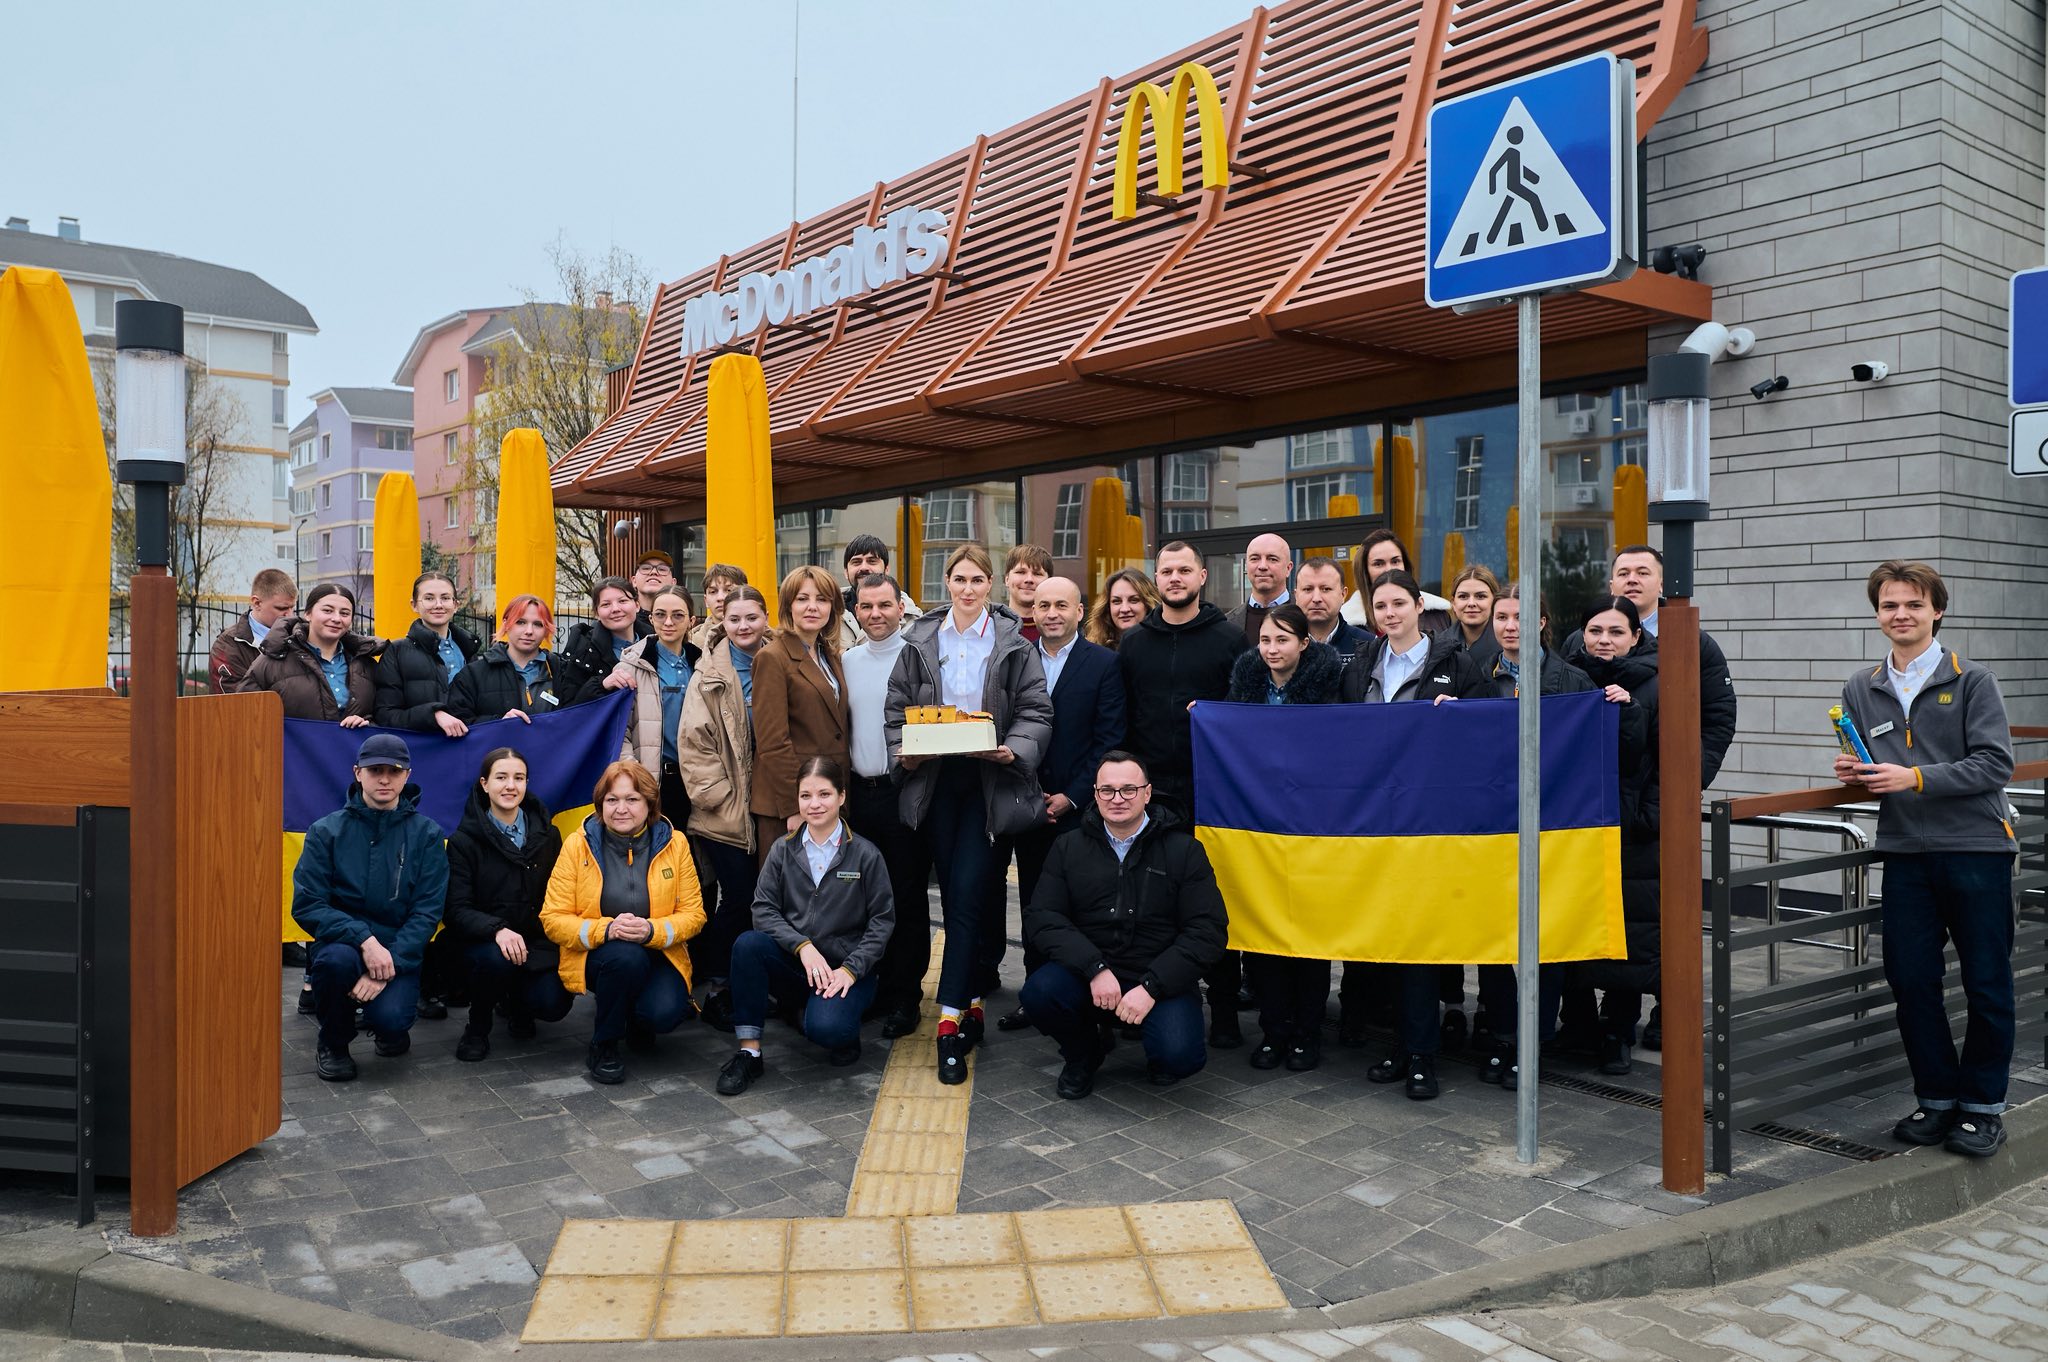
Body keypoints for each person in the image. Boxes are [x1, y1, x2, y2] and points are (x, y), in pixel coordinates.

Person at [1836, 562, 2017, 1158]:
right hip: (1905, 854)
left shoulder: (1973, 680)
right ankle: (1937, 1098)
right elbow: (1875, 773)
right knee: (1912, 981)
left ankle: (1984, 1107)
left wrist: (1912, 776)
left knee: (1987, 982)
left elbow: (1995, 765)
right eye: (1890, 606)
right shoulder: (1861, 688)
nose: (1901, 615)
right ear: (1878, 614)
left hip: (1976, 849)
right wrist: (1856, 775)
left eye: (1913, 604)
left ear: (1937, 610)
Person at [884, 544, 1053, 1085]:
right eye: (959, 578)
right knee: (960, 898)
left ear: (991, 586)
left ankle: (950, 1024)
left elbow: (1035, 709)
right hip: (935, 782)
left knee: (967, 895)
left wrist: (1013, 751)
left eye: (978, 579)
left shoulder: (1013, 642)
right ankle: (972, 1004)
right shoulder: (920, 640)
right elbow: (896, 709)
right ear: (946, 582)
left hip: (989, 781)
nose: (967, 588)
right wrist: (904, 754)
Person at [1341, 569, 1488, 1098]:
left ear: (1418, 605)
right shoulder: (1360, 665)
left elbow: (1487, 732)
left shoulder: (1454, 662)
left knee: (1421, 940)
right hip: (1379, 824)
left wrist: (1462, 716)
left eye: (1398, 603)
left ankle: (1423, 1054)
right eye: (1380, 605)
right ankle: (1400, 1044)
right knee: (1389, 938)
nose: (1389, 613)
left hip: (1432, 824)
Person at [1019, 751, 1228, 1097]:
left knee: (1180, 1056)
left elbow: (1207, 931)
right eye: (1108, 790)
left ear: (1147, 793)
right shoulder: (1068, 846)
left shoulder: (1185, 850)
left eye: (1129, 790)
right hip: (1089, 972)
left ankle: (1160, 1054)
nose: (1118, 799)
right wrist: (1094, 968)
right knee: (1040, 994)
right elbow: (1043, 917)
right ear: (1095, 793)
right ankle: (1084, 1053)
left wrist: (1152, 988)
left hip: (1158, 977)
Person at [1116, 541, 1250, 1048]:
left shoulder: (1228, 640)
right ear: (1158, 577)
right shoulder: (1134, 643)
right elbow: (1123, 718)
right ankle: (1146, 999)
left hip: (1209, 792)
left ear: (1200, 576)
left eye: (1184, 570)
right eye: (1166, 571)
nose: (1175, 578)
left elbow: (1241, 716)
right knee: (1148, 897)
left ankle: (1226, 1008)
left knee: (1210, 899)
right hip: (1146, 795)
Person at [992, 576, 1126, 1033]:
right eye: (1042, 604)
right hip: (1024, 805)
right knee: (1035, 905)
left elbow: (1109, 740)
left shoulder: (1104, 665)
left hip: (1080, 810)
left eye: (1060, 605)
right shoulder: (1014, 658)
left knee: (1084, 906)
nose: (1050, 613)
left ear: (1079, 611)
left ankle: (1090, 995)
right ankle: (1036, 996)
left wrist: (1072, 796)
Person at [715, 757, 897, 1093]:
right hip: (799, 965)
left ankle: (830, 1021)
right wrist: (802, 946)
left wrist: (852, 970)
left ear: (842, 796)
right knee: (747, 945)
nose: (814, 804)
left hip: (846, 972)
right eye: (806, 796)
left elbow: (882, 922)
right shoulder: (783, 850)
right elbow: (763, 909)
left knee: (827, 1031)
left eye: (824, 794)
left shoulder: (865, 855)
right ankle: (749, 1052)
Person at [1472, 586, 1594, 1084]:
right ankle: (1502, 1035)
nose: (1508, 625)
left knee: (1546, 939)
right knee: (1496, 938)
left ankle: (1536, 1039)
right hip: (1493, 829)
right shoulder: (1477, 677)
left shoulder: (1573, 680)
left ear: (1542, 623)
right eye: (1501, 616)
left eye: (1520, 617)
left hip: (1554, 829)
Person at [1223, 604, 1342, 1070]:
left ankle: (1307, 1034)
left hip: (1312, 829)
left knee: (1309, 937)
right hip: (1258, 827)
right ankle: (1274, 1031)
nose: (1272, 649)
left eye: (1283, 640)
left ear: (1304, 644)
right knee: (1263, 931)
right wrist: (1206, 716)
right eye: (1266, 641)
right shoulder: (1246, 683)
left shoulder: (1329, 688)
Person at [291, 734, 448, 1082]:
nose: (384, 779)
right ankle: (333, 1043)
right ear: (357, 773)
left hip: (398, 951)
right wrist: (365, 940)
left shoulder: (427, 835)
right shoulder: (325, 832)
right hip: (342, 945)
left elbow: (427, 912)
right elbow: (307, 904)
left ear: (407, 775)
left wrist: (388, 965)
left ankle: (388, 1025)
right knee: (333, 964)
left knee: (391, 1020)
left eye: (394, 771)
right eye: (374, 770)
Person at [541, 759, 706, 1085]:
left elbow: (694, 914)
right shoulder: (578, 844)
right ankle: (603, 1045)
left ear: (649, 803)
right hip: (598, 953)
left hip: (658, 951)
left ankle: (635, 1017)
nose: (621, 809)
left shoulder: (676, 844)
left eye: (632, 799)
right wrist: (607, 929)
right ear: (600, 804)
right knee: (624, 957)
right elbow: (552, 918)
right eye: (612, 800)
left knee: (663, 1014)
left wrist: (651, 931)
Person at [1559, 595, 1660, 1076]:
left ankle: (1620, 1028)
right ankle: (1575, 1023)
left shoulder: (1657, 683)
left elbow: (1666, 755)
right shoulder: (1560, 677)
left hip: (1632, 825)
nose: (1604, 640)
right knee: (1570, 924)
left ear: (1636, 637)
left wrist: (1630, 710)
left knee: (1629, 933)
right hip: (1571, 823)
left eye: (1617, 632)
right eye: (1595, 630)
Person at [840, 572, 933, 1039]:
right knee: (864, 899)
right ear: (855, 610)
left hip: (905, 792)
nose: (875, 614)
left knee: (907, 897)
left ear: (901, 607)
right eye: (866, 606)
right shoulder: (846, 661)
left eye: (884, 605)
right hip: (858, 796)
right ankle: (873, 986)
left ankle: (905, 995)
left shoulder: (918, 657)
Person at [676, 585, 773, 1023]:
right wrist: (722, 797)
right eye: (734, 619)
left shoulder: (782, 660)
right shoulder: (708, 675)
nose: (743, 626)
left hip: (773, 802)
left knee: (770, 898)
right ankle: (718, 978)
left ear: (765, 617)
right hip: (726, 810)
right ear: (722, 622)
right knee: (740, 897)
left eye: (751, 617)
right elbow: (694, 744)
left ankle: (758, 979)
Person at [443, 747, 572, 1061]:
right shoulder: (463, 842)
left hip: (536, 944)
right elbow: (456, 909)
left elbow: (561, 895)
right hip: (485, 945)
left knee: (553, 1004)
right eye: (501, 777)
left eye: (519, 778)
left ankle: (518, 1004)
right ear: (485, 784)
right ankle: (478, 1025)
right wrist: (497, 930)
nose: (510, 786)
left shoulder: (549, 836)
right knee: (496, 959)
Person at [751, 565, 851, 856]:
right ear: (788, 606)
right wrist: (797, 804)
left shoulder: (829, 655)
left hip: (827, 799)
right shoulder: (772, 657)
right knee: (791, 896)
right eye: (802, 599)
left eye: (821, 599)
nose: (812, 607)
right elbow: (772, 742)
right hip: (791, 806)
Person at [239, 583, 379, 725]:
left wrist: (366, 725)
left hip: (351, 747)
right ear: (308, 614)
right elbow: (243, 714)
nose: (337, 619)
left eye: (344, 613)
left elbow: (383, 719)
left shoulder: (366, 665)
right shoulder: (272, 661)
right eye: (328, 611)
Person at [617, 586, 701, 825]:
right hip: (652, 780)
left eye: (678, 615)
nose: (668, 622)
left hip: (696, 779)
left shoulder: (704, 664)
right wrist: (635, 775)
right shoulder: (631, 665)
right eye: (661, 614)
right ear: (651, 617)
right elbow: (620, 730)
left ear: (691, 621)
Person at [448, 594, 567, 725]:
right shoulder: (473, 674)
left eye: (538, 624)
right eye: (520, 622)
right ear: (506, 624)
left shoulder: (562, 671)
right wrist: (499, 723)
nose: (529, 631)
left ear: (546, 630)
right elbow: (458, 722)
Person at [559, 577, 650, 706]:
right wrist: (601, 685)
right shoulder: (582, 651)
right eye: (606, 604)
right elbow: (569, 707)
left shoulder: (655, 644)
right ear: (597, 613)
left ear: (637, 605)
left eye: (623, 601)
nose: (615, 609)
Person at [1339, 530, 1452, 630]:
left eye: (1395, 561)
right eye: (1378, 563)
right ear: (1365, 571)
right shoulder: (1345, 624)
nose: (1389, 569)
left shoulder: (1437, 616)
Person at [209, 568, 296, 694]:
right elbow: (238, 703)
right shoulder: (228, 646)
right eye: (281, 608)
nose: (290, 615)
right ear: (257, 603)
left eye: (292, 607)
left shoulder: (299, 636)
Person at [838, 534, 921, 648]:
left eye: (872, 561)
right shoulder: (828, 612)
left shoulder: (911, 618)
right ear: (846, 572)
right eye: (856, 562)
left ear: (886, 569)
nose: (864, 568)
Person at [1294, 556, 1369, 663]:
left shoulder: (1368, 645)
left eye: (1326, 589)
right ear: (1296, 595)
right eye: (1307, 589)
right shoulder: (1279, 646)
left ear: (1343, 594)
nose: (1316, 598)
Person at [1225, 532, 1292, 642]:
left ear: (1288, 568)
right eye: (1255, 558)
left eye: (1272, 559)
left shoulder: (1308, 617)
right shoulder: (1227, 623)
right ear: (1246, 566)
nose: (1262, 566)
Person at [1084, 568, 1162, 650]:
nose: (1124, 609)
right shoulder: (1094, 653)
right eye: (1116, 601)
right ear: (1107, 608)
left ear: (1148, 604)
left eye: (1134, 600)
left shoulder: (1163, 648)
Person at [1447, 565, 1503, 675]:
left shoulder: (1509, 646)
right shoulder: (1438, 648)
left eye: (1480, 596)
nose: (1471, 603)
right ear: (1453, 603)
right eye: (1463, 596)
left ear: (1495, 601)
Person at [690, 563, 748, 652]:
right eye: (713, 592)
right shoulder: (690, 645)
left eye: (729, 590)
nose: (720, 598)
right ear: (706, 600)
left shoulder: (764, 642)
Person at [1004, 544, 1051, 643]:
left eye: (1037, 574)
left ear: (1049, 582)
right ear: (1007, 579)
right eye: (1021, 572)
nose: (1029, 580)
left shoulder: (1059, 630)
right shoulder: (990, 627)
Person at [630, 549, 676, 624]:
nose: (653, 572)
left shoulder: (680, 619)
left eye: (662, 569)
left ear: (673, 583)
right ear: (634, 581)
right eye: (646, 568)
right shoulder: (624, 620)